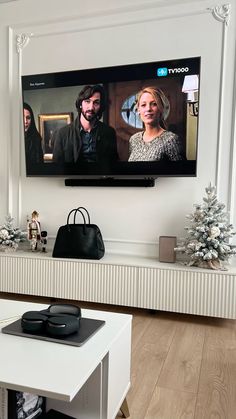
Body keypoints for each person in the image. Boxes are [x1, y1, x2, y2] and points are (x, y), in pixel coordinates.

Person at [53, 84, 118, 165]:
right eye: (87, 101)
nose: (91, 107)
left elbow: (113, 165)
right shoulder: (62, 134)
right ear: (80, 104)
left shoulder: (109, 133)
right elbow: (57, 168)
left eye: (96, 103)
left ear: (100, 107)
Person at [128, 86, 185, 161]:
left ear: (160, 108)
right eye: (143, 105)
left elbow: (181, 171)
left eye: (154, 104)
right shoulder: (134, 139)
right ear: (138, 110)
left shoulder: (171, 140)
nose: (148, 109)